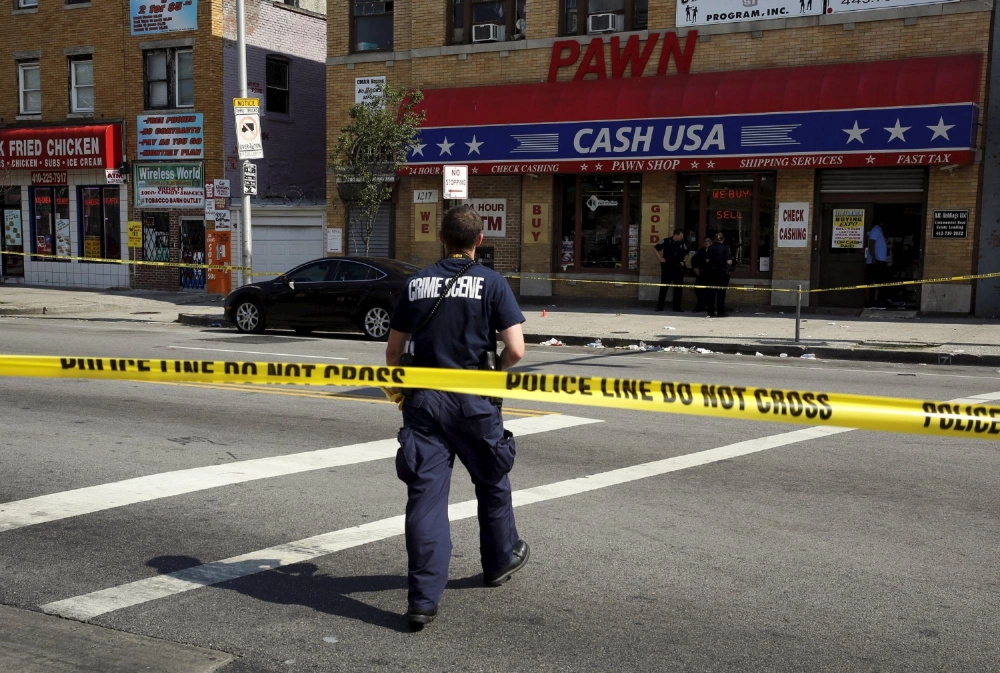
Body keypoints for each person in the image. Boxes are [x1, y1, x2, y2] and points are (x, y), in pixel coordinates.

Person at [384, 205, 529, 632]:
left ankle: (422, 602)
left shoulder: (416, 283)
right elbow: (517, 350)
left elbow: (394, 351)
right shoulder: (493, 283)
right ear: (478, 240)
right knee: (492, 481)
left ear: (441, 239)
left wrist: (399, 389)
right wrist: (495, 375)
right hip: (474, 402)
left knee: (426, 499)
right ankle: (500, 561)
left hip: (426, 404)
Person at [654, 229, 689, 311]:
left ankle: (677, 307)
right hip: (667, 267)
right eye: (680, 236)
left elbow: (686, 254)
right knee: (664, 288)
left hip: (678, 268)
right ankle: (660, 306)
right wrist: (660, 258)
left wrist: (683, 261)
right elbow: (655, 248)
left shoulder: (682, 244)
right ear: (675, 235)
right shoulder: (666, 241)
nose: (682, 237)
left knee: (678, 288)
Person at [703, 233, 734, 317]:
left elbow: (707, 260)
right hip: (722, 273)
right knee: (721, 293)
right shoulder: (725, 248)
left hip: (711, 273)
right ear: (723, 239)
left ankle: (711, 311)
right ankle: (720, 312)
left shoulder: (710, 248)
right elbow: (729, 261)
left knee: (711, 293)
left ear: (714, 239)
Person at [865, 222, 889, 309]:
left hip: (879, 260)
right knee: (873, 282)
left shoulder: (879, 231)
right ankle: (870, 302)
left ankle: (876, 301)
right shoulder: (875, 230)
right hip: (875, 261)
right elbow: (871, 243)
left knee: (878, 282)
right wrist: (874, 258)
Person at [690, 236, 713, 313]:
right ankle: (701, 305)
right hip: (702, 273)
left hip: (711, 274)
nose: (706, 242)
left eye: (708, 241)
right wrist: (694, 268)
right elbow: (693, 259)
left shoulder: (714, 251)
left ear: (711, 242)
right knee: (698, 288)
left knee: (709, 291)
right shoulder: (700, 251)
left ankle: (707, 306)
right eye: (705, 241)